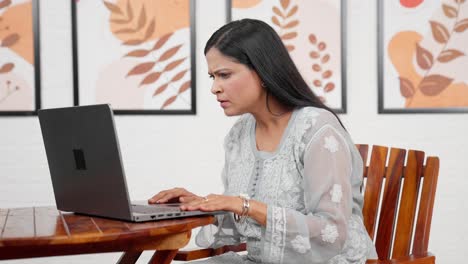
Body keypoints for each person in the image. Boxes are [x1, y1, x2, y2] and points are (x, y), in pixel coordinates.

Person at [148, 19, 377, 264]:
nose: (215, 88)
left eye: (224, 75)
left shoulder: (317, 130)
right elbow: (245, 224)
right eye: (212, 76)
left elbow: (330, 233)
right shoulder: (239, 135)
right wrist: (202, 205)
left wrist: (245, 205)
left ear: (262, 70)